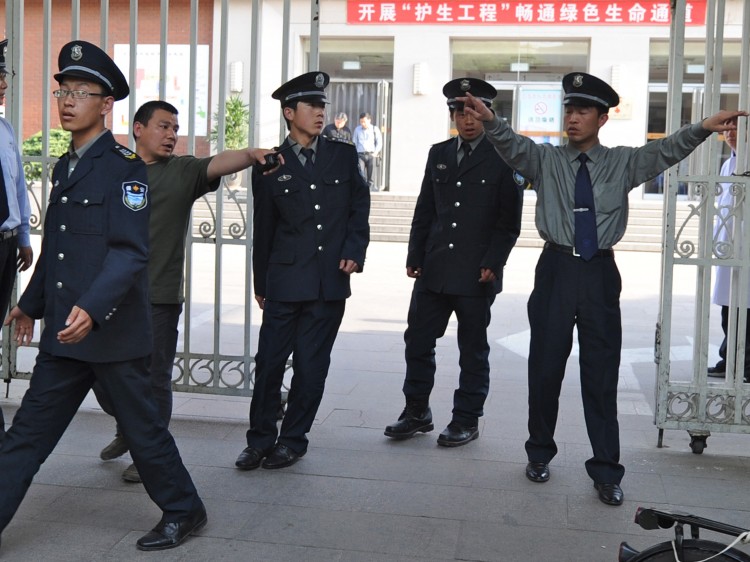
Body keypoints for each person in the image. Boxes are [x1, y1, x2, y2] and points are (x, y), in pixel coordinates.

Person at [461, 72, 746, 507]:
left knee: (600, 375)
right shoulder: (546, 160)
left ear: (602, 118)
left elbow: (665, 151)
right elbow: (513, 146)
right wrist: (493, 122)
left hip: (599, 273)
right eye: (568, 111)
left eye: (582, 112)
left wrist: (703, 127)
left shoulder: (623, 163)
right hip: (555, 268)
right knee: (545, 368)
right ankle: (539, 453)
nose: (572, 119)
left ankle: (607, 470)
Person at [0, 40, 206, 551]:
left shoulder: (124, 169)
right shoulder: (65, 167)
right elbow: (62, 250)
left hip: (112, 335)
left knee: (143, 431)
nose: (68, 101)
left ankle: (185, 510)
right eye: (62, 91)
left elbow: (128, 253)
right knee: (27, 433)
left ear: (106, 104)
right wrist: (31, 302)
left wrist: (92, 309)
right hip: (66, 336)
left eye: (81, 92)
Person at [94, 100, 279, 483]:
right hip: (111, 295)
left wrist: (249, 154)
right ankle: (127, 428)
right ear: (139, 128)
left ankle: (149, 453)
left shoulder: (181, 172)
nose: (172, 135)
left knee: (155, 377)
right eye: (163, 126)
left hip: (159, 296)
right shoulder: (113, 170)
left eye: (175, 128)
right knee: (100, 373)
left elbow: (218, 163)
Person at [234, 71, 370, 471]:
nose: (320, 112)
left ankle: (292, 440)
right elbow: (265, 228)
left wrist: (354, 250)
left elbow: (358, 208)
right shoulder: (270, 164)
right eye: (312, 106)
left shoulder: (343, 155)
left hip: (329, 282)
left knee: (312, 367)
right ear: (289, 113)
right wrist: (261, 282)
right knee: (270, 363)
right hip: (284, 281)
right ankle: (259, 440)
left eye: (322, 105)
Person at [384, 78, 523, 447]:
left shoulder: (504, 156)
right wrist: (415, 255)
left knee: (472, 349)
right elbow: (425, 208)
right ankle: (416, 410)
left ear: (487, 113)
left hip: (477, 272)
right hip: (435, 268)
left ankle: (466, 418)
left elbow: (509, 222)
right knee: (417, 340)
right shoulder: (440, 153)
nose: (467, 118)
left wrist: (494, 261)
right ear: (453, 115)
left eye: (474, 110)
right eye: (460, 111)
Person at [0, 39, 34, 441]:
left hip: (7, 245)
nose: (4, 84)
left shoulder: (5, 130)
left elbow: (19, 188)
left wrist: (23, 236)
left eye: (4, 76)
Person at [709, 128, 750, 382]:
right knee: (729, 306)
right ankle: (728, 358)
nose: (731, 134)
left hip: (746, 243)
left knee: (746, 307)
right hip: (728, 243)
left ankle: (746, 365)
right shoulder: (728, 163)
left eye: (737, 129)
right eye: (727, 130)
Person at [352, 112, 382, 191]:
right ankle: (362, 189)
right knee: (360, 173)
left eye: (364, 121)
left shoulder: (374, 129)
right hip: (360, 155)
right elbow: (354, 142)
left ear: (369, 120)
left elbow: (379, 142)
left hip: (371, 154)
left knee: (371, 174)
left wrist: (375, 152)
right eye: (361, 121)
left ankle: (371, 188)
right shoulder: (357, 130)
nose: (362, 123)